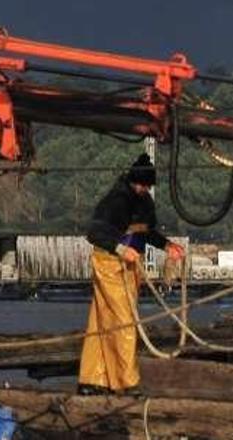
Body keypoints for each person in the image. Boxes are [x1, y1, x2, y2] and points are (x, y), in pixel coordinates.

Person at [78, 154, 184, 395]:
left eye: (148, 186)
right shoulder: (116, 200)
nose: (144, 189)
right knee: (124, 321)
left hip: (130, 266)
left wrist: (167, 245)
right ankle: (127, 382)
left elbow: (147, 233)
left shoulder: (145, 202)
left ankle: (93, 378)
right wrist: (120, 248)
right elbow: (95, 232)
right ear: (133, 181)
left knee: (102, 319)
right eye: (142, 185)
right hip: (109, 263)